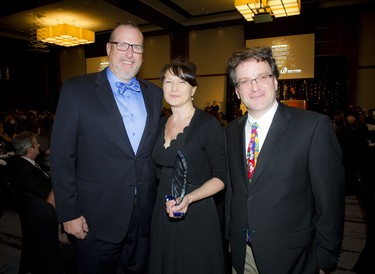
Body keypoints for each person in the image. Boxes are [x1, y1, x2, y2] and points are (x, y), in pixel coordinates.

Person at [50, 21, 163, 274]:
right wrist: (68, 212)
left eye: (137, 47)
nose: (130, 53)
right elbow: (61, 157)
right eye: (123, 44)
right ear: (108, 48)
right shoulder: (77, 89)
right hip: (95, 216)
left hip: (144, 214)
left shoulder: (154, 94)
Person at [225, 47, 345, 274]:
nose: (254, 86)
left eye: (262, 76)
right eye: (244, 81)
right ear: (237, 91)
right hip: (244, 254)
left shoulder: (313, 127)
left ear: (276, 82)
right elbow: (234, 189)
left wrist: (324, 258)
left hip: (294, 257)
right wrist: (231, 235)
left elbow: (330, 201)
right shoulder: (231, 131)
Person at [149, 58, 227, 273]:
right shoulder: (158, 125)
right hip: (162, 210)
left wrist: (189, 198)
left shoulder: (208, 125)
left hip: (196, 211)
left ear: (193, 89)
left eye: (182, 82)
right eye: (168, 82)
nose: (174, 88)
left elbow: (221, 177)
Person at [7, 131, 64, 274]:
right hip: (40, 216)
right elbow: (45, 195)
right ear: (29, 149)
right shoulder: (24, 170)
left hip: (33, 214)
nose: (39, 145)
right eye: (36, 143)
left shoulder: (20, 162)